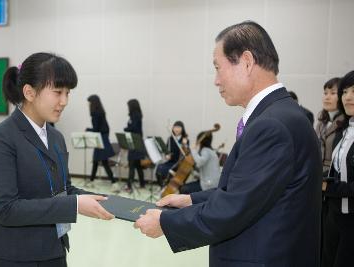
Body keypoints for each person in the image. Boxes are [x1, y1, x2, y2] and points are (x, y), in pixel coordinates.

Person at [134, 21, 322, 267]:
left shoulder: (272, 126)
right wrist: (190, 200)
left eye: (217, 68)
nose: (215, 81)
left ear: (246, 62)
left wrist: (164, 223)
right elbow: (248, 189)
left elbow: (234, 208)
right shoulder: (280, 114)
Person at [0, 52, 114, 267]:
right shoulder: (1, 138)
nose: (64, 101)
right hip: (14, 258)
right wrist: (75, 205)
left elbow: (64, 189)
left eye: (68, 93)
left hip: (54, 252)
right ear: (29, 92)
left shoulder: (56, 137)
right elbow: (6, 210)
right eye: (57, 92)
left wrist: (110, 202)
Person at [322, 70, 354, 267]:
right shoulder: (344, 131)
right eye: (345, 92)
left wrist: (329, 188)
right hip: (333, 215)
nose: (348, 97)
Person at [86, 94, 119, 192]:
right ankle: (91, 181)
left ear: (93, 103)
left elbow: (96, 129)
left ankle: (114, 183)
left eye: (89, 103)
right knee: (96, 161)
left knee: (104, 162)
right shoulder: (101, 112)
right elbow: (106, 128)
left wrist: (88, 129)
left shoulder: (95, 114)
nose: (88, 105)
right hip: (103, 138)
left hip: (101, 139)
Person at [316, 77, 344, 175]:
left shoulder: (346, 123)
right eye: (325, 93)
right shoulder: (320, 123)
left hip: (335, 175)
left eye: (333, 93)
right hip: (318, 173)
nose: (327, 97)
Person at [155, 121, 188, 187]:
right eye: (175, 127)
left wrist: (185, 144)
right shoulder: (170, 139)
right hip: (171, 162)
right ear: (172, 128)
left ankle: (169, 186)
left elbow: (186, 154)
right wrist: (167, 155)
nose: (176, 129)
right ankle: (162, 187)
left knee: (169, 171)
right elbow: (167, 151)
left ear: (182, 129)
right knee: (158, 168)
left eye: (179, 127)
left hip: (179, 164)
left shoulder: (185, 140)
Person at [124, 99, 145, 192]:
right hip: (136, 141)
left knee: (132, 164)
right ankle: (142, 183)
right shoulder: (136, 114)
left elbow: (134, 128)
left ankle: (129, 186)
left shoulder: (135, 114)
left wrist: (126, 128)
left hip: (135, 142)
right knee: (137, 164)